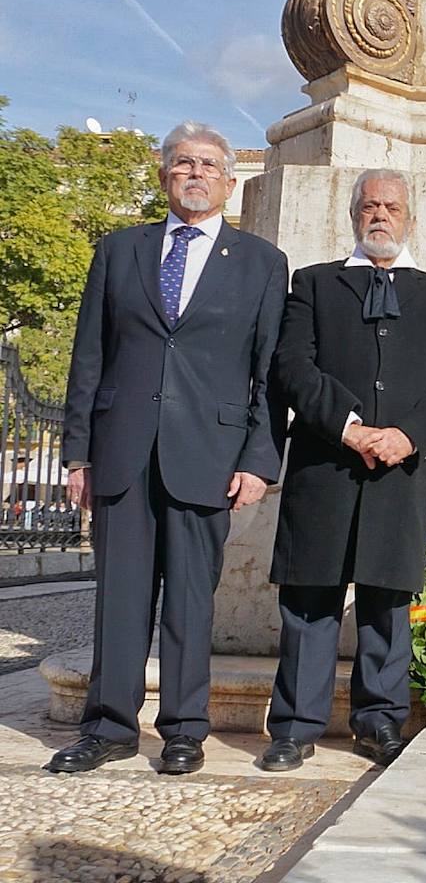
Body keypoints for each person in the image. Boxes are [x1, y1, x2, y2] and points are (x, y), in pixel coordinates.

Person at [50, 121, 287, 775]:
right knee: (120, 598)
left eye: (208, 164)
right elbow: (88, 358)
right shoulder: (118, 251)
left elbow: (269, 373)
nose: (196, 173)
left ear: (228, 182)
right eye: (183, 162)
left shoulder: (263, 264)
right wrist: (77, 453)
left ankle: (184, 731)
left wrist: (258, 460)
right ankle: (109, 728)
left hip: (208, 456)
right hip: (122, 450)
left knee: (189, 601)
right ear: (164, 176)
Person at [261, 169, 426, 771]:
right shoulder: (314, 285)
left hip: (398, 472)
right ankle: (295, 727)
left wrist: (407, 436)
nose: (381, 214)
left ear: (409, 218)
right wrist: (349, 428)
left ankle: (379, 721)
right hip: (325, 466)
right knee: (309, 601)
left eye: (392, 207)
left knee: (386, 604)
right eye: (370, 205)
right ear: (354, 215)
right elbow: (292, 367)